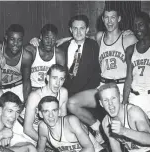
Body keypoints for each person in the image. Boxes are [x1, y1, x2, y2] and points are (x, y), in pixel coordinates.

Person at [65, 5, 138, 144]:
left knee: (121, 123)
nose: (110, 22)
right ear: (102, 19)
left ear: (119, 19)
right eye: (107, 18)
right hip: (103, 86)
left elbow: (143, 51)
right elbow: (81, 37)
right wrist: (65, 40)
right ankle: (99, 128)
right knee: (72, 103)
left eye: (113, 17)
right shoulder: (100, 36)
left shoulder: (128, 38)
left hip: (121, 87)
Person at [37, 96, 111, 152]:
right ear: (40, 114)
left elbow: (90, 149)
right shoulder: (43, 127)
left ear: (59, 112)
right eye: (46, 111)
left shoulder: (71, 121)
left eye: (54, 110)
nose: (51, 115)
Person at [99, 83, 150, 152]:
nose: (110, 103)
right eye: (106, 100)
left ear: (121, 98)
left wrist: (124, 131)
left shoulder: (133, 112)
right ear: (101, 103)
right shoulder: (106, 123)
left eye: (113, 98)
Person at [59, 14, 101, 97]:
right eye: (75, 28)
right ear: (71, 30)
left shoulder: (94, 46)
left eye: (82, 28)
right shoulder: (63, 47)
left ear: (87, 29)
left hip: (87, 94)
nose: (78, 32)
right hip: (66, 93)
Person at [24, 64, 68, 142]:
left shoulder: (63, 93)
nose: (58, 83)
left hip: (47, 134)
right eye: (54, 78)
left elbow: (63, 122)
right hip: (29, 134)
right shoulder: (35, 96)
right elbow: (27, 129)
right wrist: (49, 144)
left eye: (61, 79)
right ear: (48, 78)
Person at [123, 11, 150, 119]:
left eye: (141, 25)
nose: (137, 29)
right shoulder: (130, 50)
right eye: (135, 26)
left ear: (148, 25)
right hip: (135, 98)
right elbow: (129, 78)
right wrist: (124, 102)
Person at [0, 24, 33, 102]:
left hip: (17, 88)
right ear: (6, 37)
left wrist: (26, 102)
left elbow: (26, 82)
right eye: (12, 39)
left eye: (19, 40)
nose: (15, 43)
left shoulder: (26, 56)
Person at [25, 24, 66, 91]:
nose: (49, 42)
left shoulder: (59, 54)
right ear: (41, 37)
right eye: (47, 38)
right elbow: (25, 79)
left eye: (53, 39)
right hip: (32, 89)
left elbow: (60, 78)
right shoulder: (32, 50)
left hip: (49, 90)